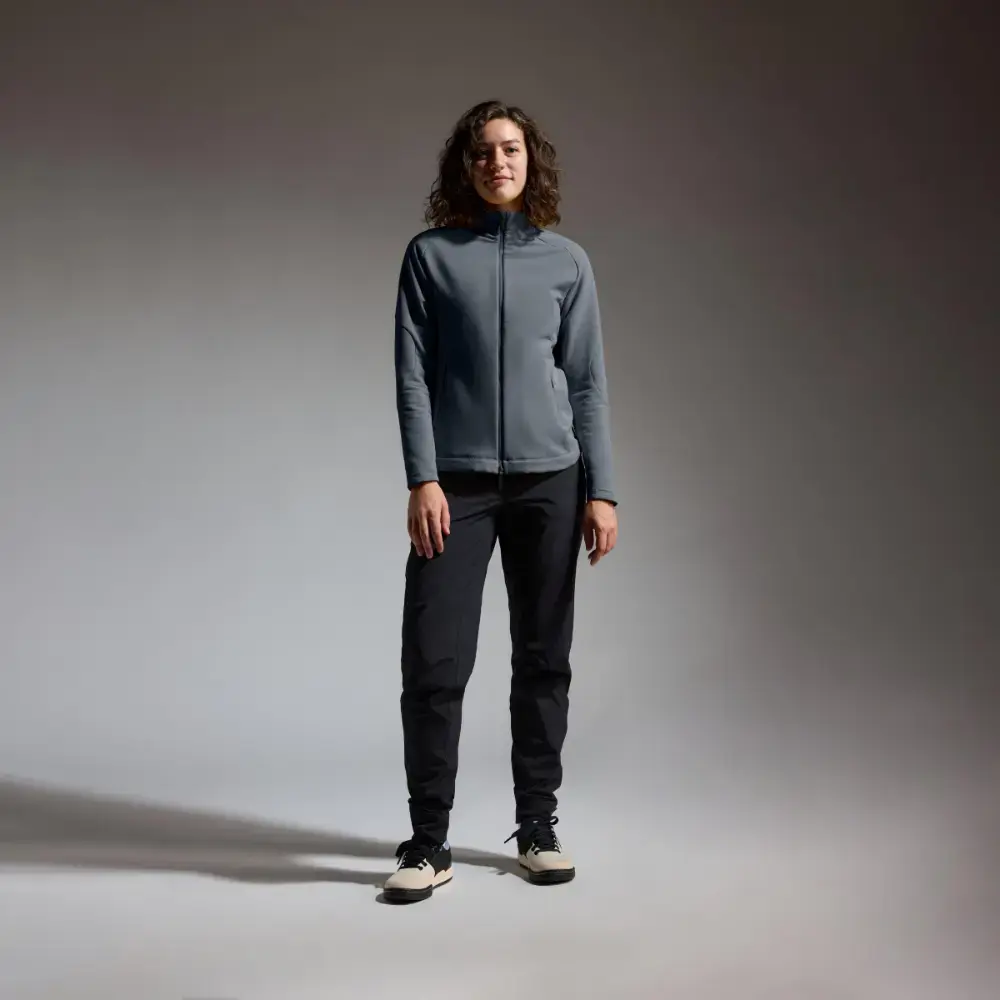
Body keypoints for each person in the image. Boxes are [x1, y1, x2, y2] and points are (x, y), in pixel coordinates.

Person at [383, 100, 618, 903]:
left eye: (510, 149)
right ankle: (428, 841)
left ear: (530, 160)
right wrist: (422, 477)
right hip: (457, 484)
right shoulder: (430, 257)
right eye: (483, 152)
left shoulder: (568, 263)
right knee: (434, 661)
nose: (498, 162)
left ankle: (538, 826)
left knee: (545, 658)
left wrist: (602, 490)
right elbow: (412, 376)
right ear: (465, 166)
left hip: (553, 480)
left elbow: (586, 383)